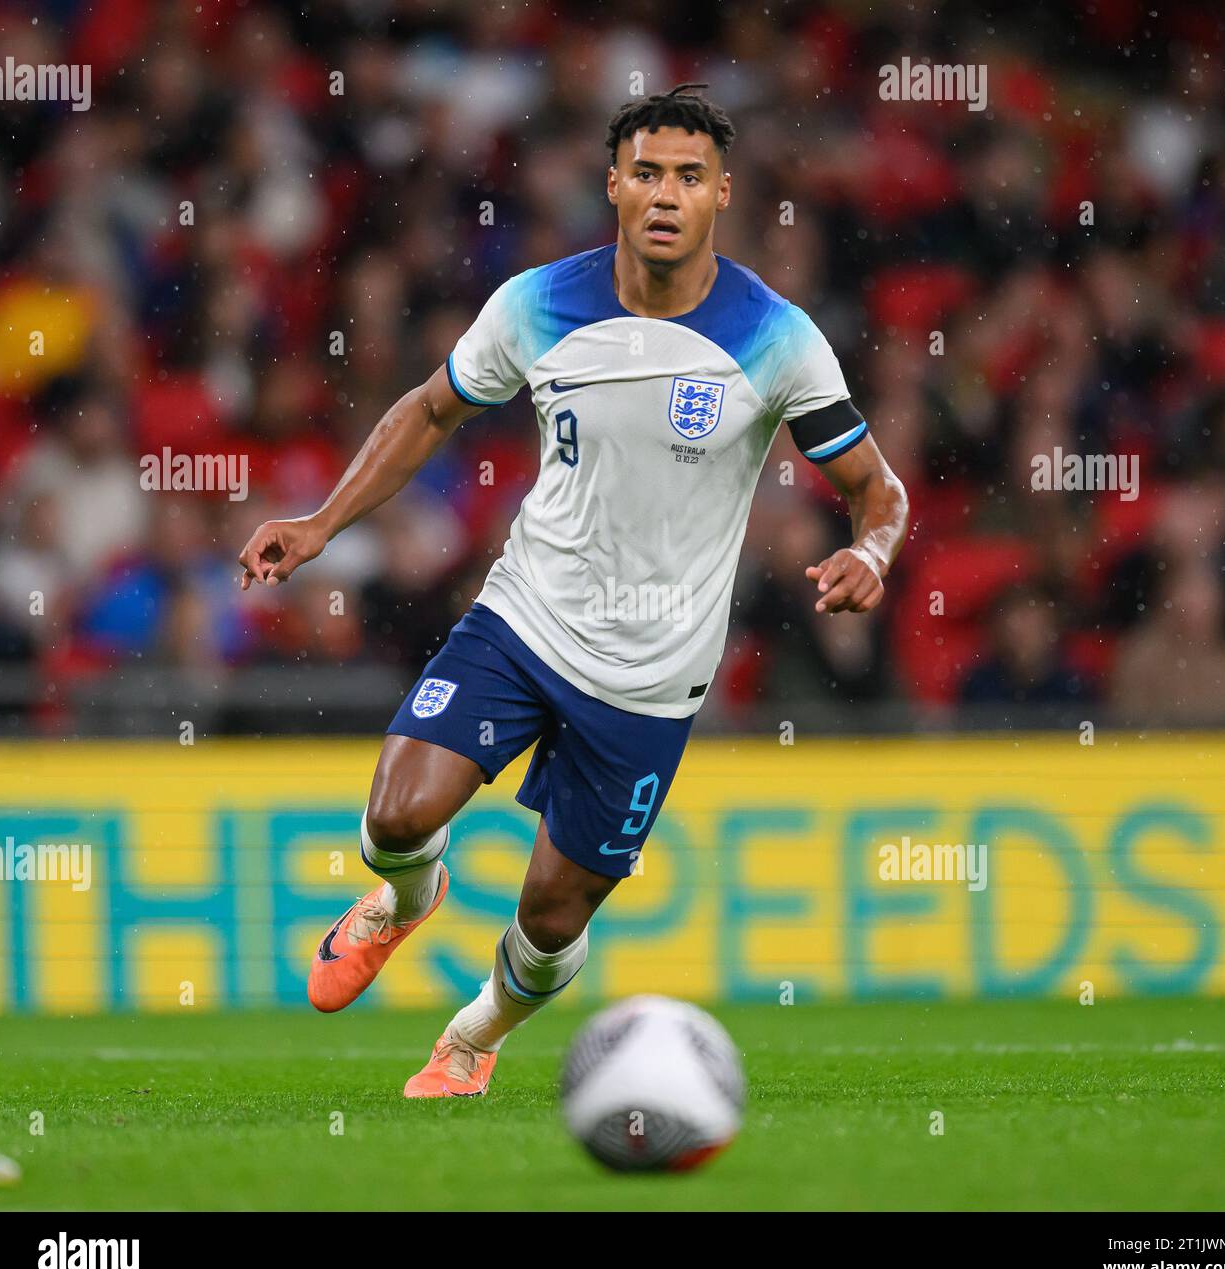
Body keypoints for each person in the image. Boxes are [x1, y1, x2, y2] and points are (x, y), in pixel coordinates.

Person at [237, 85, 909, 1098]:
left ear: (722, 193)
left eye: (689, 176)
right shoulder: (534, 304)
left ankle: (469, 1038)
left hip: (650, 676)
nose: (666, 194)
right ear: (614, 186)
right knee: (395, 819)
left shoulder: (777, 339)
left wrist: (875, 553)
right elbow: (428, 413)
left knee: (552, 921)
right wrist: (320, 522)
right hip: (525, 617)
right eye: (647, 173)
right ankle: (402, 901)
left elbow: (876, 490)